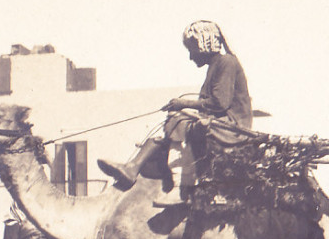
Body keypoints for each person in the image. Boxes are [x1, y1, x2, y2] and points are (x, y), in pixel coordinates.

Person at [98, 21, 252, 207]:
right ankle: (133, 167)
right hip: (221, 121)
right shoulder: (216, 64)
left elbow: (220, 103)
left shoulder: (226, 62)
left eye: (192, 50)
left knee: (179, 121)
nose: (190, 56)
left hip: (232, 126)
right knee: (176, 120)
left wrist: (183, 104)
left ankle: (181, 186)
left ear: (202, 45)